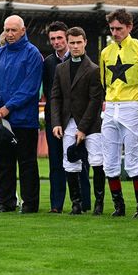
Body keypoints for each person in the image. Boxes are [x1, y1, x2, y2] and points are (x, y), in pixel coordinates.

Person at [0, 15, 43, 214]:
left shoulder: (33, 54)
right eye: (6, 30)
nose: (9, 34)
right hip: (2, 120)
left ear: (23, 30)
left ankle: (30, 204)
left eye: (13, 30)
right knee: (4, 164)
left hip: (24, 121)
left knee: (27, 164)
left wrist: (7, 107)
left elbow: (30, 88)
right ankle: (5, 203)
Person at [100, 8, 138, 217]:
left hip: (132, 107)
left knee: (133, 160)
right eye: (112, 29)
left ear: (129, 27)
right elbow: (104, 83)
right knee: (110, 161)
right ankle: (118, 207)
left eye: (119, 28)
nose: (115, 33)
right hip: (110, 106)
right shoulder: (106, 52)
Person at [50, 27, 105, 215]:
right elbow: (55, 97)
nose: (75, 46)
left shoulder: (94, 69)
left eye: (78, 42)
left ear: (85, 42)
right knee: (70, 161)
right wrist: (56, 122)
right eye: (71, 43)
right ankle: (76, 204)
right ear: (67, 42)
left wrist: (82, 128)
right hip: (67, 122)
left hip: (91, 124)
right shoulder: (60, 68)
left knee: (97, 161)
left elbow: (95, 101)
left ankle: (99, 203)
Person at [43, 21, 91, 213]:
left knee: (80, 162)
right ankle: (56, 205)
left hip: (78, 120)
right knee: (56, 163)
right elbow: (50, 93)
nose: (56, 42)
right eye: (52, 39)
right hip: (55, 120)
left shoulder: (85, 62)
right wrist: (56, 120)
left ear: (68, 39)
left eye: (60, 38)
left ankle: (83, 203)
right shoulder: (47, 62)